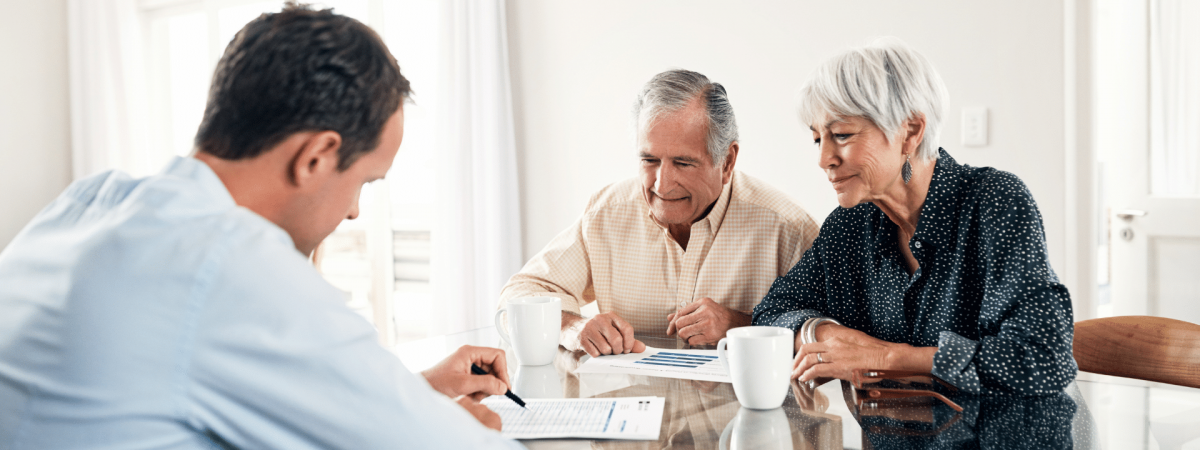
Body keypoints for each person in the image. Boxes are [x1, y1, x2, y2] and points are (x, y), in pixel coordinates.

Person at [0, 5, 521, 448]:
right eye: (365, 182)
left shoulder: (89, 201)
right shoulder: (228, 260)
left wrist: (416, 392)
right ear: (316, 156)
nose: (355, 212)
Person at [752, 38, 1077, 395]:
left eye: (841, 135)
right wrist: (834, 337)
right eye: (817, 139)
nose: (824, 158)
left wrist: (890, 358)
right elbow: (772, 312)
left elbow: (1044, 358)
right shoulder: (849, 225)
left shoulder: (996, 202)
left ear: (910, 132)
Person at [500, 70, 819, 356]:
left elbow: (831, 334)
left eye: (683, 163)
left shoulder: (787, 228)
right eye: (649, 160)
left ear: (727, 162)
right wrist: (572, 327)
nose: (662, 184)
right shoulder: (607, 214)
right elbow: (519, 295)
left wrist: (742, 325)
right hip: (635, 416)